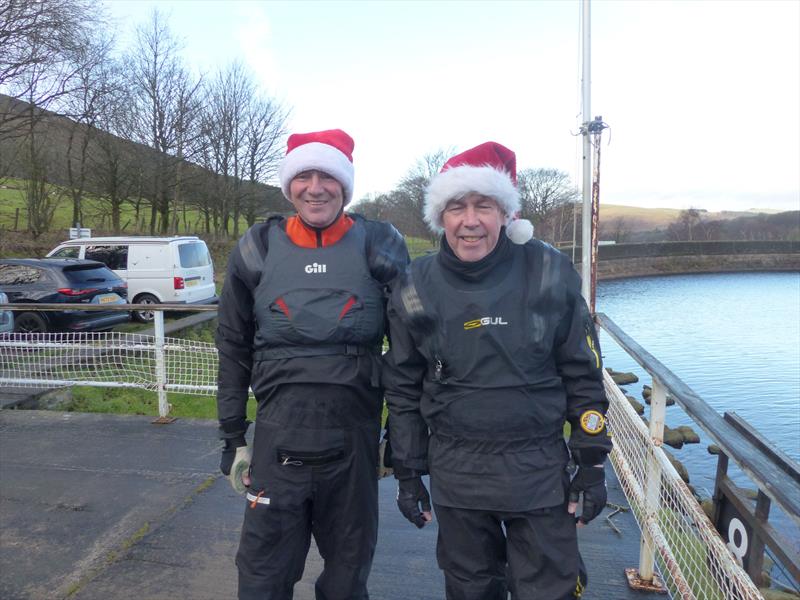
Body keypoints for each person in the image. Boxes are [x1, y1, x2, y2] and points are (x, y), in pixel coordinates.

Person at [382, 141, 613, 599]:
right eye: (457, 207)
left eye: (483, 206)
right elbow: (403, 387)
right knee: (470, 590)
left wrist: (592, 463)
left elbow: (583, 373)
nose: (470, 221)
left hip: (538, 471)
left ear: (506, 214)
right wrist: (407, 472)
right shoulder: (413, 287)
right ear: (440, 216)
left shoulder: (549, 272)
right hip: (457, 474)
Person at [215, 128, 409, 600]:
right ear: (289, 185)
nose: (315, 188)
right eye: (304, 176)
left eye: (328, 177)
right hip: (277, 440)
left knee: (347, 578)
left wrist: (400, 438)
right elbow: (233, 346)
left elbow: (408, 351)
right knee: (262, 578)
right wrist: (233, 436)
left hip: (355, 442)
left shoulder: (380, 244)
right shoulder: (257, 247)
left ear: (345, 185)